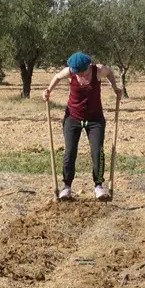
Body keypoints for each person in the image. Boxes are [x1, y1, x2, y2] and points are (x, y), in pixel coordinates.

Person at [42, 52, 123, 200]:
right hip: (72, 117)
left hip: (95, 119)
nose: (81, 75)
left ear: (88, 67)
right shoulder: (69, 72)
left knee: (97, 152)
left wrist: (115, 88)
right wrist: (48, 90)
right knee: (70, 152)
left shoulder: (98, 70)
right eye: (77, 72)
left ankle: (98, 186)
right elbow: (58, 76)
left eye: (83, 72)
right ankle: (66, 187)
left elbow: (110, 72)